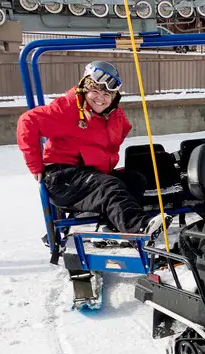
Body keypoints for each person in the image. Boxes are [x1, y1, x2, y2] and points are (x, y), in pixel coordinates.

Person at [16, 60, 168, 240]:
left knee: (135, 180)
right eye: (94, 91)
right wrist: (36, 166)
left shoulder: (113, 115)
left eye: (106, 93)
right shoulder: (68, 109)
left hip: (91, 174)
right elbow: (27, 122)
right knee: (109, 187)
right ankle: (139, 229)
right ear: (84, 89)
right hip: (63, 178)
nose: (100, 98)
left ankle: (114, 228)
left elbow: (119, 133)